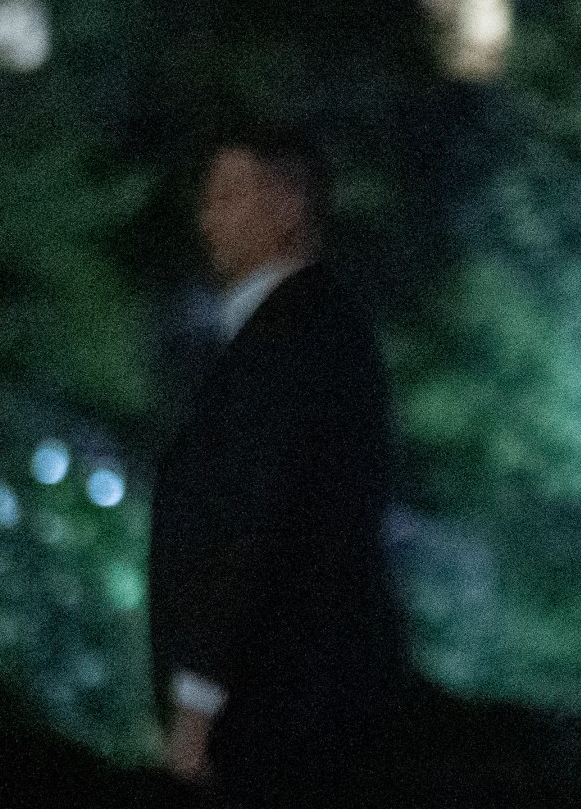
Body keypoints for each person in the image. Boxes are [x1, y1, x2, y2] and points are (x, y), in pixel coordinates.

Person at [149, 128, 403, 804]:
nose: (209, 218)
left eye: (229, 196)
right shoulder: (315, 329)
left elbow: (248, 526)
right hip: (307, 706)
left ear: (290, 205)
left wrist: (196, 709)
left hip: (273, 718)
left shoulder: (287, 341)